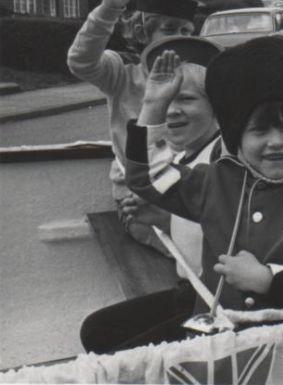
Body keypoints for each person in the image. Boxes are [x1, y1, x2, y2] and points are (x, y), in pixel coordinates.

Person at [125, 36, 283, 318]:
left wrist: (269, 280)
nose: (277, 142)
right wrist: (153, 105)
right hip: (217, 339)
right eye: (260, 131)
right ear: (236, 139)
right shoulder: (214, 182)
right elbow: (147, 175)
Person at [80, 36, 223, 353]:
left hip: (217, 306)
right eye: (166, 102)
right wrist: (166, 219)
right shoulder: (186, 155)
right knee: (96, 331)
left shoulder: (222, 157)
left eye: (185, 99)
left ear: (217, 106)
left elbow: (227, 227)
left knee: (118, 358)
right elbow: (142, 174)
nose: (172, 112)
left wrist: (154, 107)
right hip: (190, 291)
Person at [67, 0, 198, 253]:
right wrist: (110, 8)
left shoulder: (197, 75)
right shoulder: (122, 72)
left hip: (189, 189)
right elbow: (81, 61)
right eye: (169, 28)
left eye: (188, 31)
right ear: (143, 33)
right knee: (182, 248)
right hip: (138, 194)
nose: (180, 36)